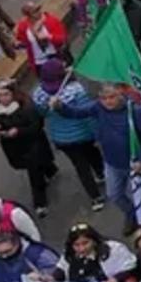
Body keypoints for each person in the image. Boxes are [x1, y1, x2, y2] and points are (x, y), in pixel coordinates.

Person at [52, 84, 141, 226]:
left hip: (134, 164)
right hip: (111, 163)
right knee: (114, 195)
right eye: (103, 98)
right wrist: (60, 107)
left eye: (111, 97)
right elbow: (76, 113)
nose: (107, 102)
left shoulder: (135, 111)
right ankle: (132, 214)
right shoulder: (98, 107)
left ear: (120, 94)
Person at [32, 61, 105, 210]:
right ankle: (101, 174)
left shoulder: (38, 94)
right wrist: (97, 133)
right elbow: (88, 113)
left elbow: (40, 114)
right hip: (84, 133)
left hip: (62, 138)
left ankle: (95, 198)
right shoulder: (77, 91)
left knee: (80, 166)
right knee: (92, 154)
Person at [0, 78, 59, 217]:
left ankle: (40, 203)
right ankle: (50, 169)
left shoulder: (25, 106)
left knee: (34, 172)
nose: (2, 98)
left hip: (32, 143)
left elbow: (36, 125)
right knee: (32, 165)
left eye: (6, 94)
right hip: (12, 146)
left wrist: (18, 131)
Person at [58, 222, 137, 282]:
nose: (81, 249)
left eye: (85, 243)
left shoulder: (114, 249)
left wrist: (116, 279)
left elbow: (131, 266)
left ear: (94, 240)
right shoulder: (69, 254)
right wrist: (52, 278)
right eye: (76, 245)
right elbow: (61, 269)